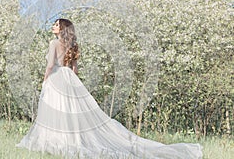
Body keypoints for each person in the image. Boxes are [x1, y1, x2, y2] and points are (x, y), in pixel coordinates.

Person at [16, 18, 203, 158]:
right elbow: (74, 69)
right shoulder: (71, 45)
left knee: (56, 111)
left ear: (62, 28)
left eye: (56, 24)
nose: (53, 27)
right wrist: (73, 83)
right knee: (70, 111)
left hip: (57, 77)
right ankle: (69, 140)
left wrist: (45, 79)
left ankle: (56, 142)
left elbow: (50, 65)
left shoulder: (54, 43)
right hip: (69, 78)